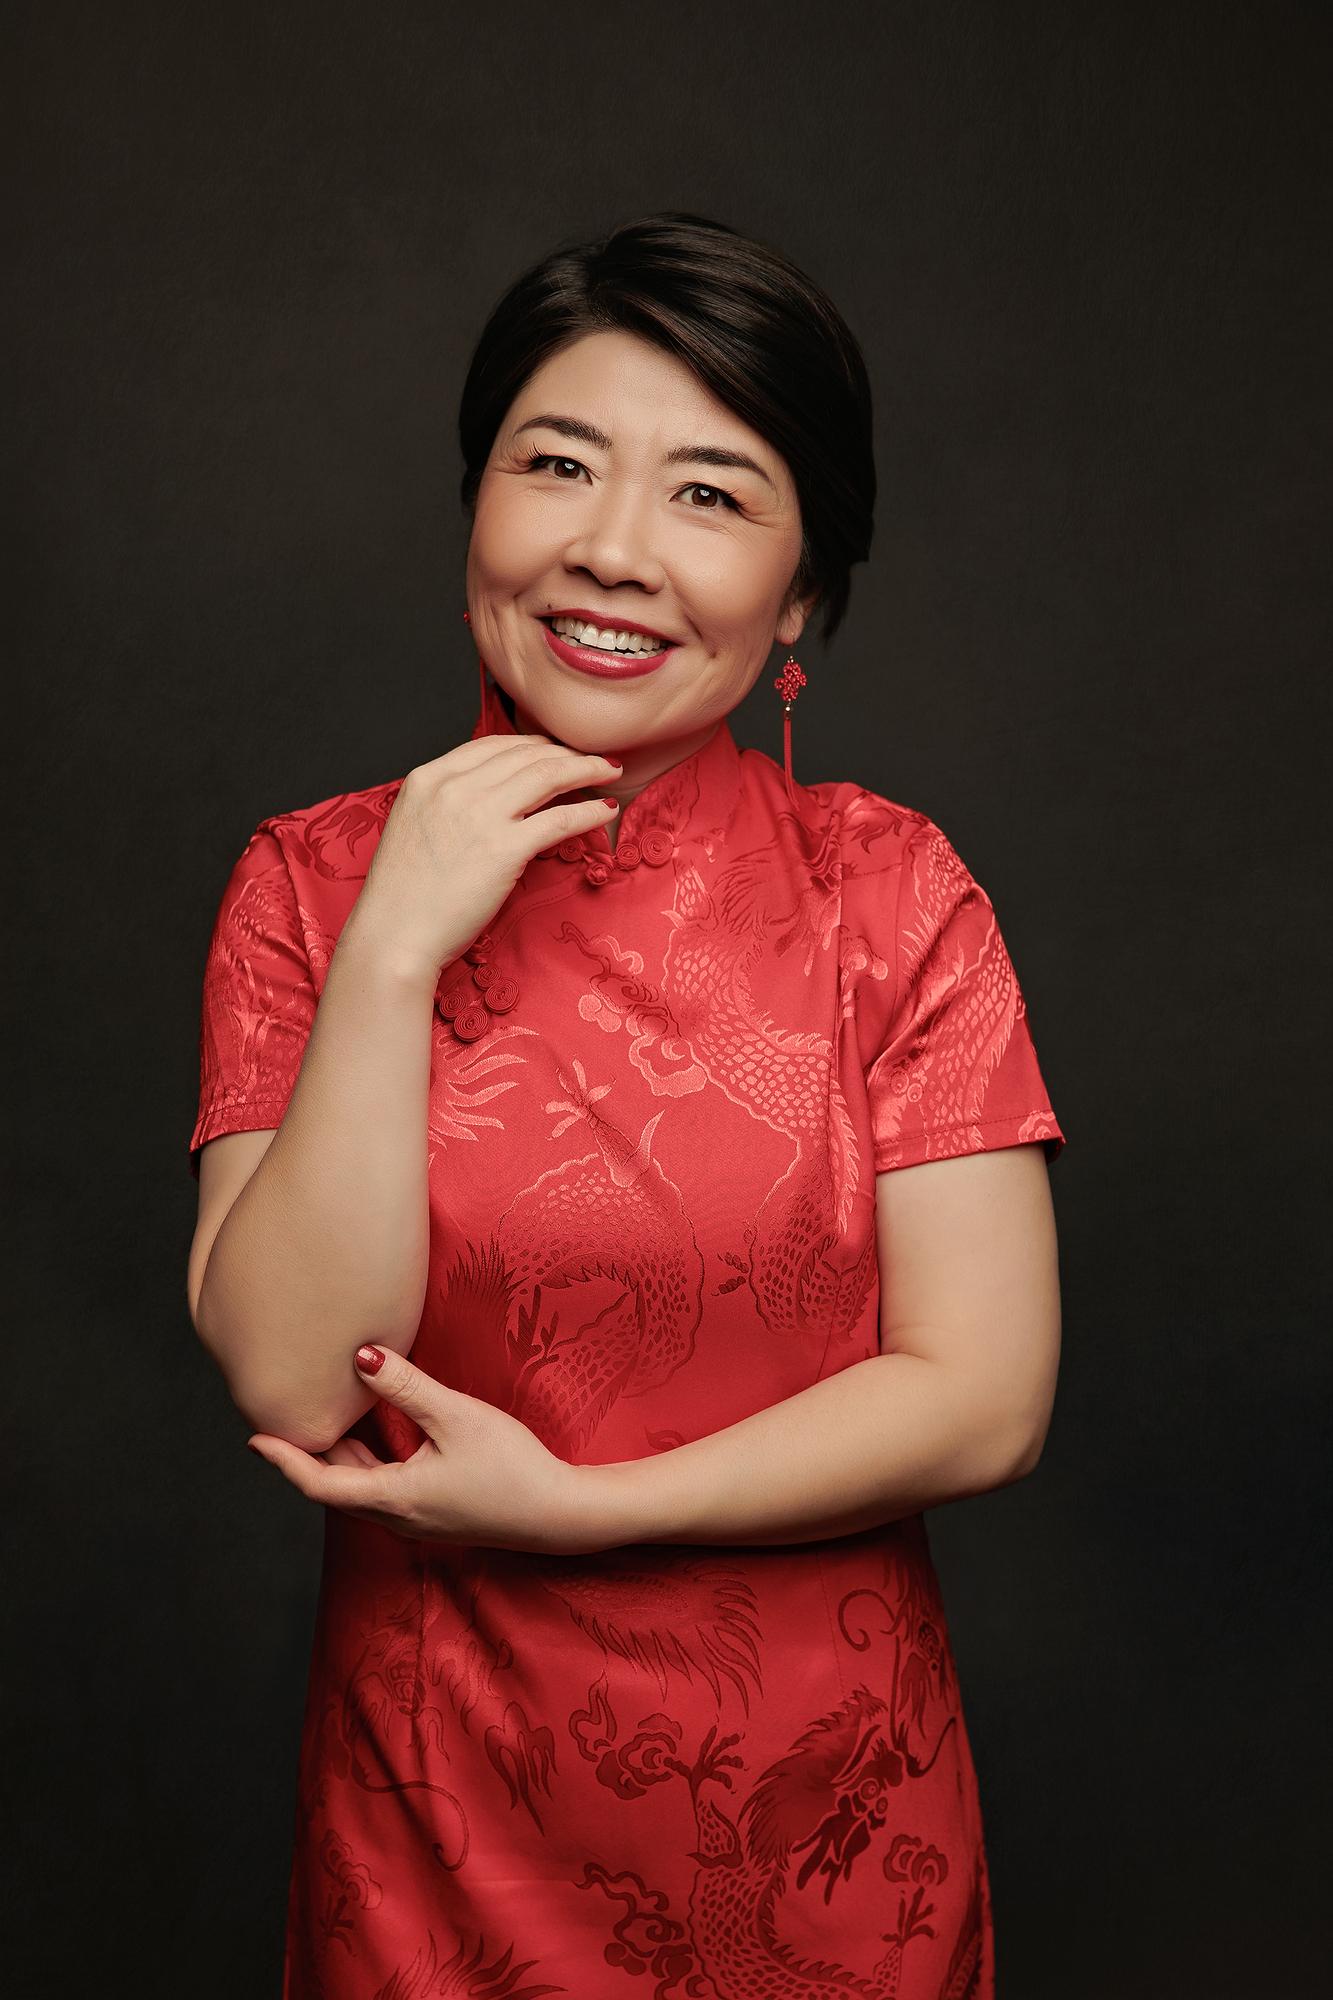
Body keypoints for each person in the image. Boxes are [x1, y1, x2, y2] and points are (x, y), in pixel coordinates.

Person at [186, 211, 1066, 1998]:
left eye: (711, 495)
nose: (609, 549)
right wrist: (390, 954)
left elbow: (982, 1400)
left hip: (823, 1838)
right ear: (476, 510)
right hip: (436, 1824)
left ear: (804, 589)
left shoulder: (889, 895)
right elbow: (292, 1375)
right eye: (556, 464)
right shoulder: (306, 880)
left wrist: (575, 1511)